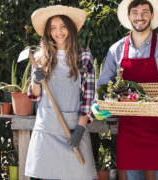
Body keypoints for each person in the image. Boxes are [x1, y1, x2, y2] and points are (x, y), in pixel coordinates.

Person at [92, 0, 158, 179]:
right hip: (129, 127)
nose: (140, 17)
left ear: (152, 16)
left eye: (145, 12)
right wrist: (96, 105)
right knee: (133, 175)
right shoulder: (115, 50)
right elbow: (102, 85)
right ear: (129, 16)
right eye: (135, 12)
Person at [25, 5, 97, 180]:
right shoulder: (41, 57)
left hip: (73, 131)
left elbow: (88, 99)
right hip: (46, 131)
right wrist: (36, 80)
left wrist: (79, 130)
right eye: (53, 28)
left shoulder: (84, 57)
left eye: (63, 26)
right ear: (48, 32)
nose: (59, 32)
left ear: (70, 28)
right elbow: (36, 95)